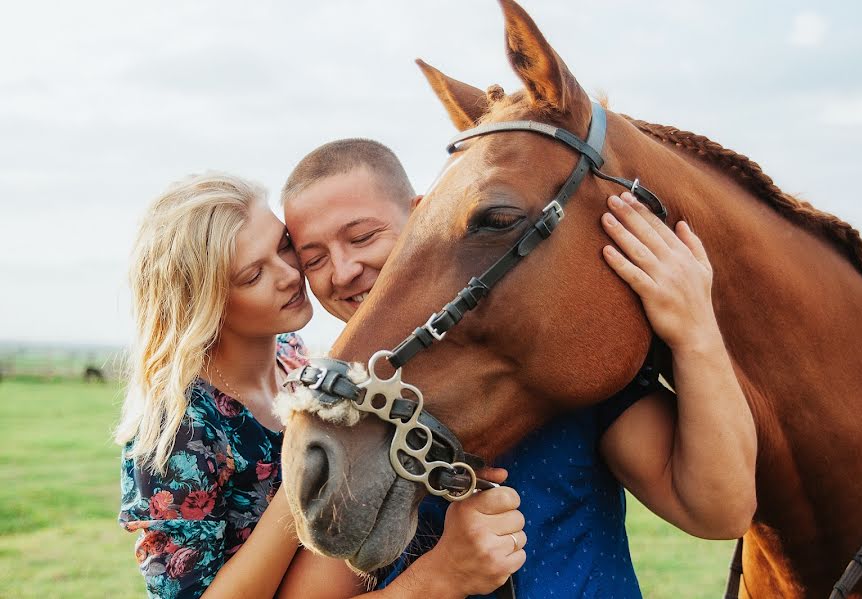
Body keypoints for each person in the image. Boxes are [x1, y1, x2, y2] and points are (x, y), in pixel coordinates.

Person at [281, 139, 757, 597]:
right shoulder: (351, 417)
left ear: (423, 215)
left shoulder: (560, 365)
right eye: (314, 259)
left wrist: (696, 331)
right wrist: (440, 579)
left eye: (362, 237)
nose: (341, 271)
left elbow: (718, 511)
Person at [115, 172, 524, 599]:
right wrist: (305, 476)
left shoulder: (295, 356)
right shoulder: (180, 428)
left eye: (283, 246)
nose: (290, 275)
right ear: (205, 303)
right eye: (254, 275)